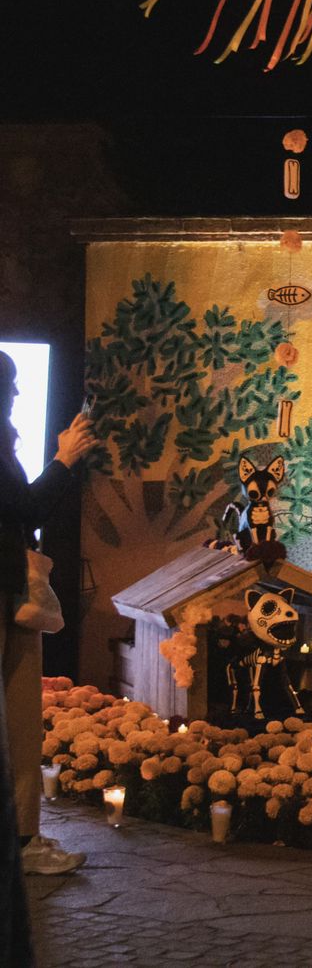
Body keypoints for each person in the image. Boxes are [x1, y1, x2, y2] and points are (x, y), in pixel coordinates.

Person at [1, 350, 98, 884]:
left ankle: (21, 839)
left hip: (11, 597)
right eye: (9, 385)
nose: (16, 394)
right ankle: (20, 844)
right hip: (6, 598)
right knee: (17, 723)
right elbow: (24, 509)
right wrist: (63, 459)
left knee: (19, 722)